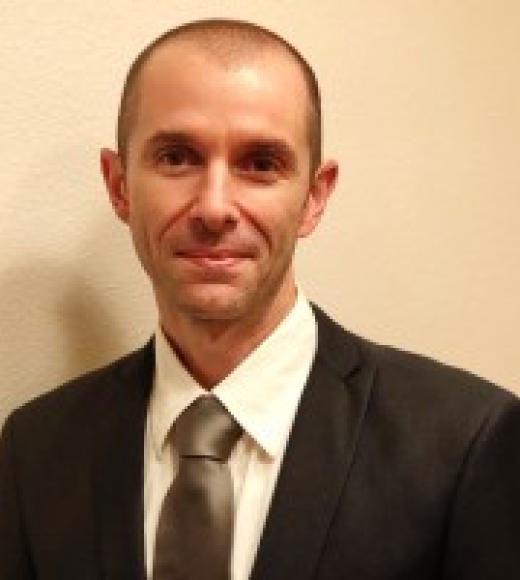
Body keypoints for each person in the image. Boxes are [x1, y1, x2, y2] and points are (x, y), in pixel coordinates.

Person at [1, 18, 519, 580]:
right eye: (177, 157)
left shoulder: (467, 442)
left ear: (314, 197)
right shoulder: (34, 452)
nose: (214, 207)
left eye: (261, 164)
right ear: (119, 184)